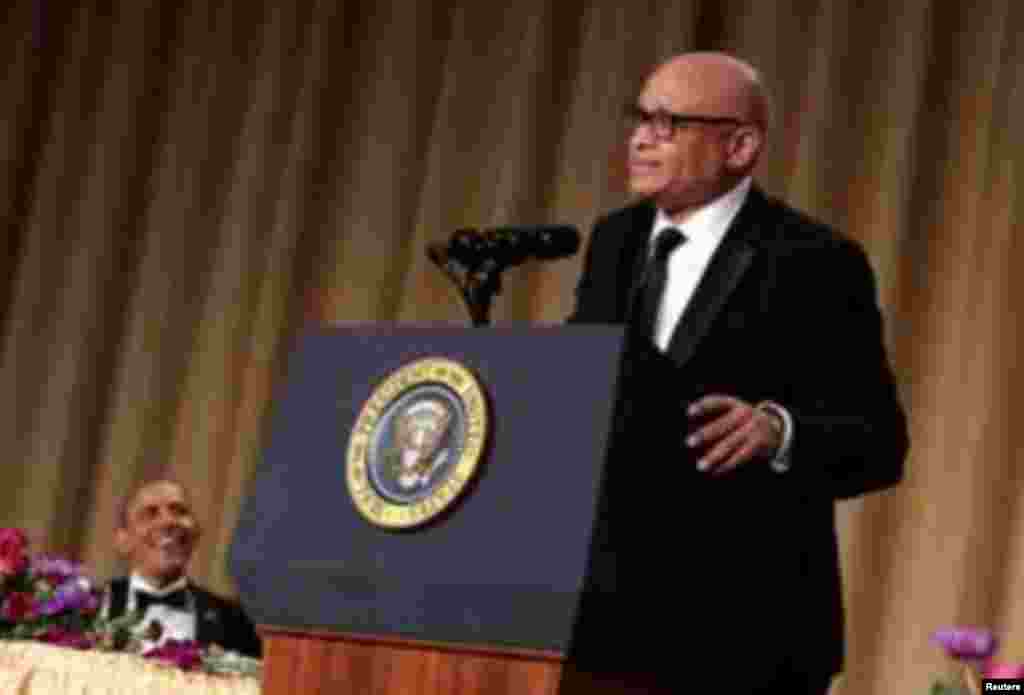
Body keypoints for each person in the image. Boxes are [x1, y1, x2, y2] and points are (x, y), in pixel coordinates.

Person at [567, 52, 909, 694]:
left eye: (668, 123)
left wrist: (778, 432)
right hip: (607, 623)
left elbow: (880, 444)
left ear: (740, 145)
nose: (641, 138)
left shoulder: (816, 261)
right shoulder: (612, 242)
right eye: (639, 118)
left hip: (750, 630)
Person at [104, 477, 262, 658]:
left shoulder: (236, 621)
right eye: (150, 513)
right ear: (122, 541)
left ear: (196, 532)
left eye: (179, 511)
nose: (168, 522)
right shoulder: (90, 609)